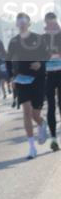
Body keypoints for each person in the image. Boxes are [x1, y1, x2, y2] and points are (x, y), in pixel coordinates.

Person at [5, 12, 50, 159]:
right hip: (21, 79)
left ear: (29, 23)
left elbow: (47, 54)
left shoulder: (38, 38)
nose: (22, 23)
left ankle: (42, 124)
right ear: (17, 24)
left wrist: (40, 63)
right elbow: (8, 60)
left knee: (35, 114)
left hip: (38, 79)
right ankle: (31, 147)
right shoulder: (13, 42)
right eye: (19, 20)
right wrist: (11, 77)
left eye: (24, 20)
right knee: (26, 111)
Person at [43, 12, 61, 152]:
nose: (51, 25)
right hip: (48, 75)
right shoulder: (42, 39)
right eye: (49, 23)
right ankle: (54, 138)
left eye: (53, 22)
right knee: (51, 106)